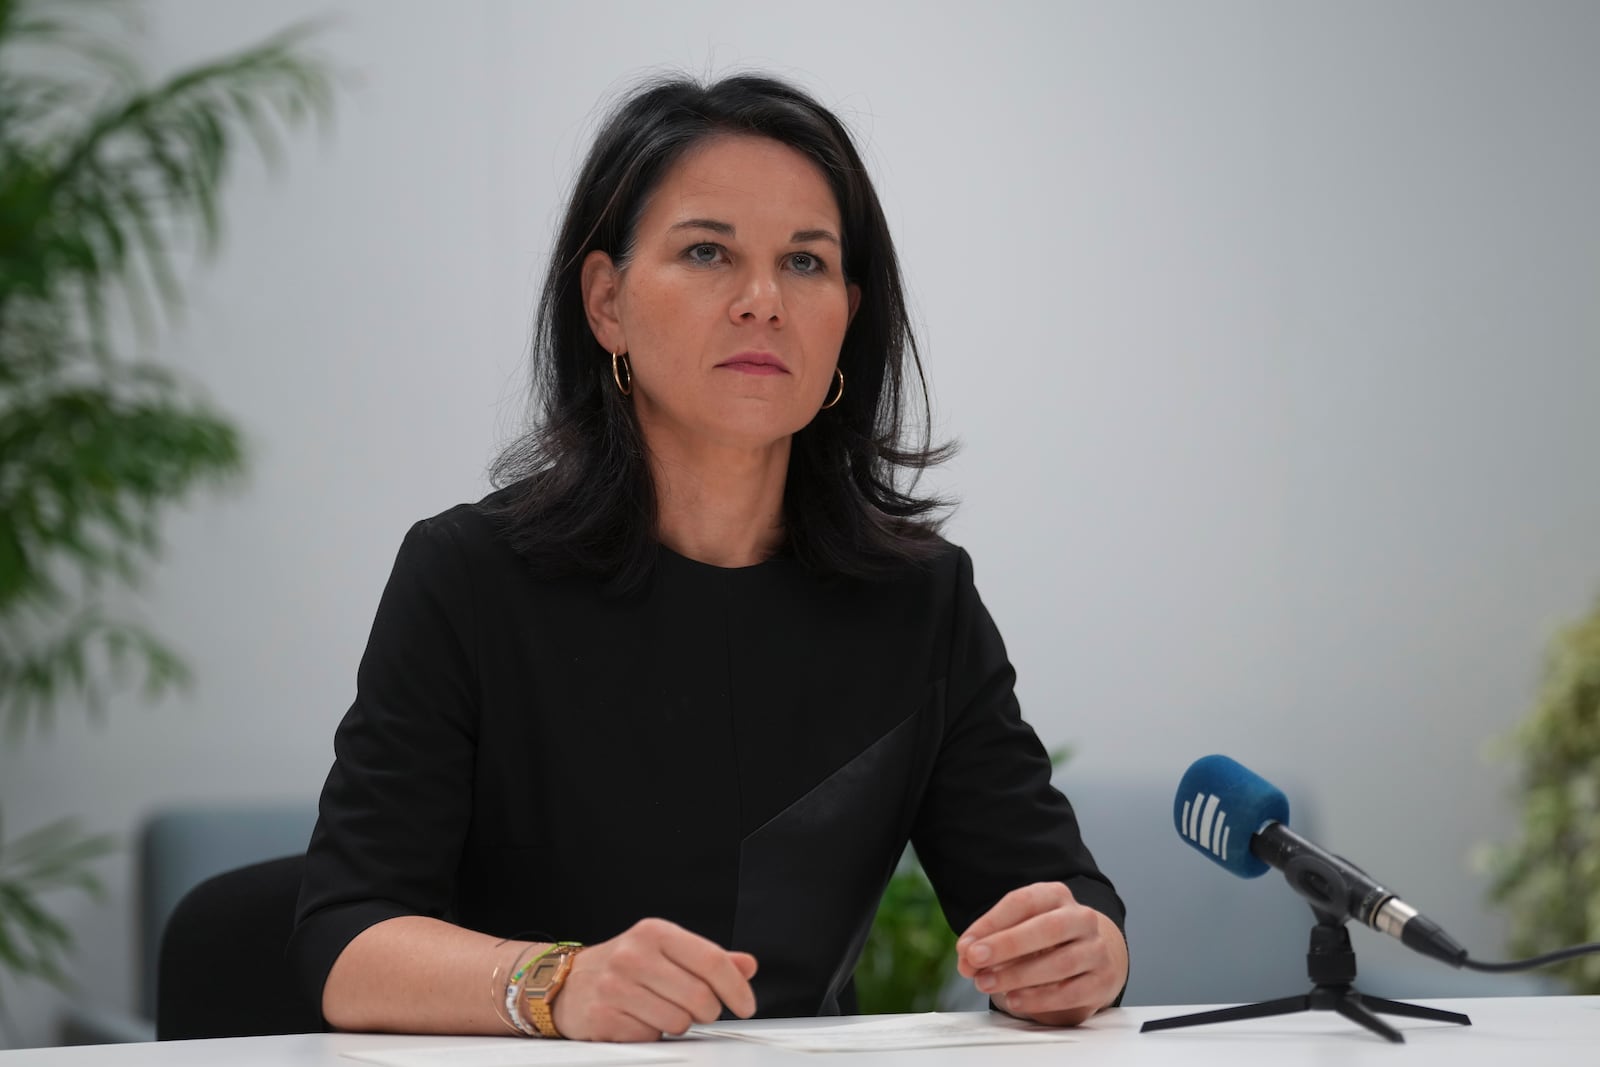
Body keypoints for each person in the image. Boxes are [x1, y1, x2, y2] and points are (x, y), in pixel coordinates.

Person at [289, 71, 1128, 1042]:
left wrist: (1083, 952)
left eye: (806, 264)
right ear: (606, 302)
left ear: (849, 310)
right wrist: (556, 982)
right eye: (706, 252)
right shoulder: (468, 575)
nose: (763, 301)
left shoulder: (919, 596)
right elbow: (344, 939)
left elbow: (1055, 894)